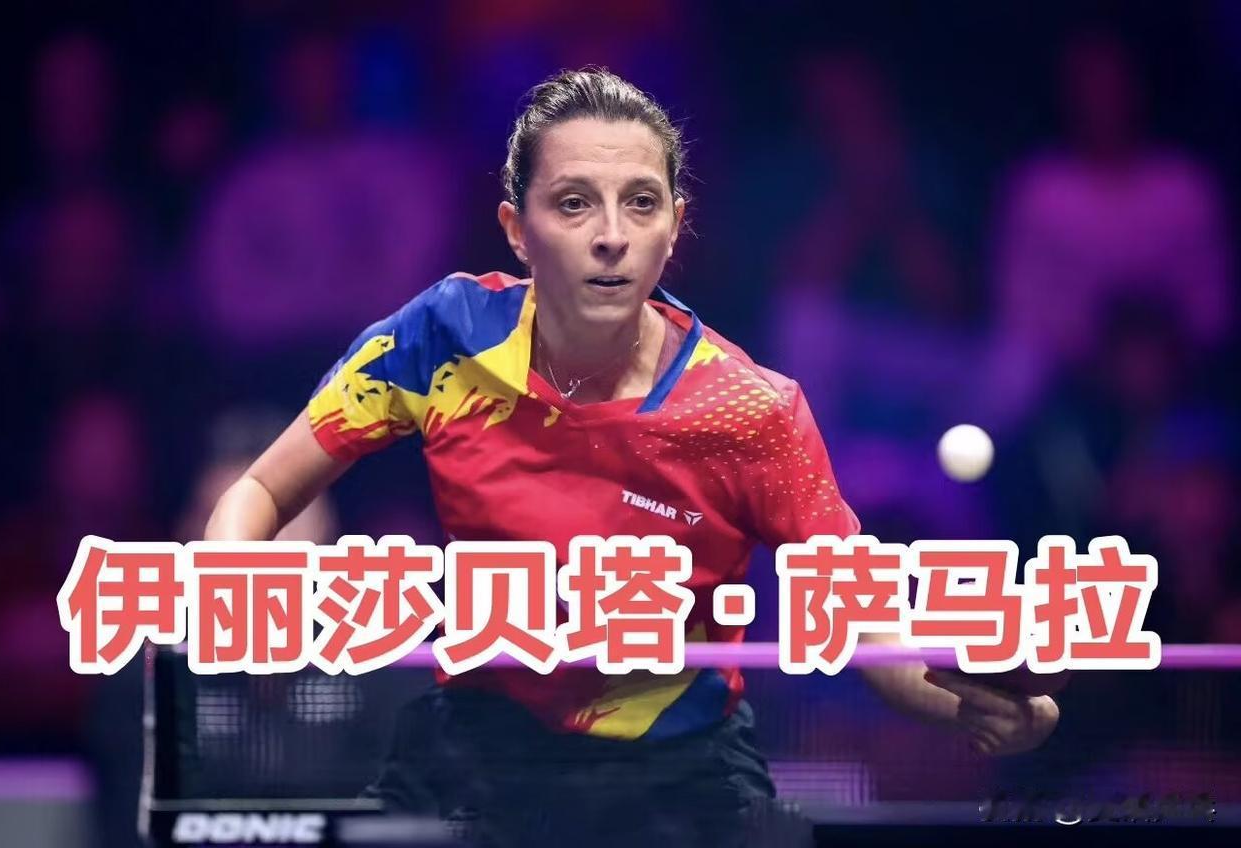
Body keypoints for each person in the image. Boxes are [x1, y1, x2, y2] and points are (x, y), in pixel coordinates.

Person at [205, 68, 1059, 847]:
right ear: (516, 229)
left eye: (641, 203)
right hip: (477, 755)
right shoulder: (443, 338)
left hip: (682, 776)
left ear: (675, 227)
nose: (611, 236)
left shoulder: (750, 411)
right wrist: (231, 588)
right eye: (574, 203)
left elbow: (865, 624)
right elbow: (260, 491)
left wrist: (964, 701)